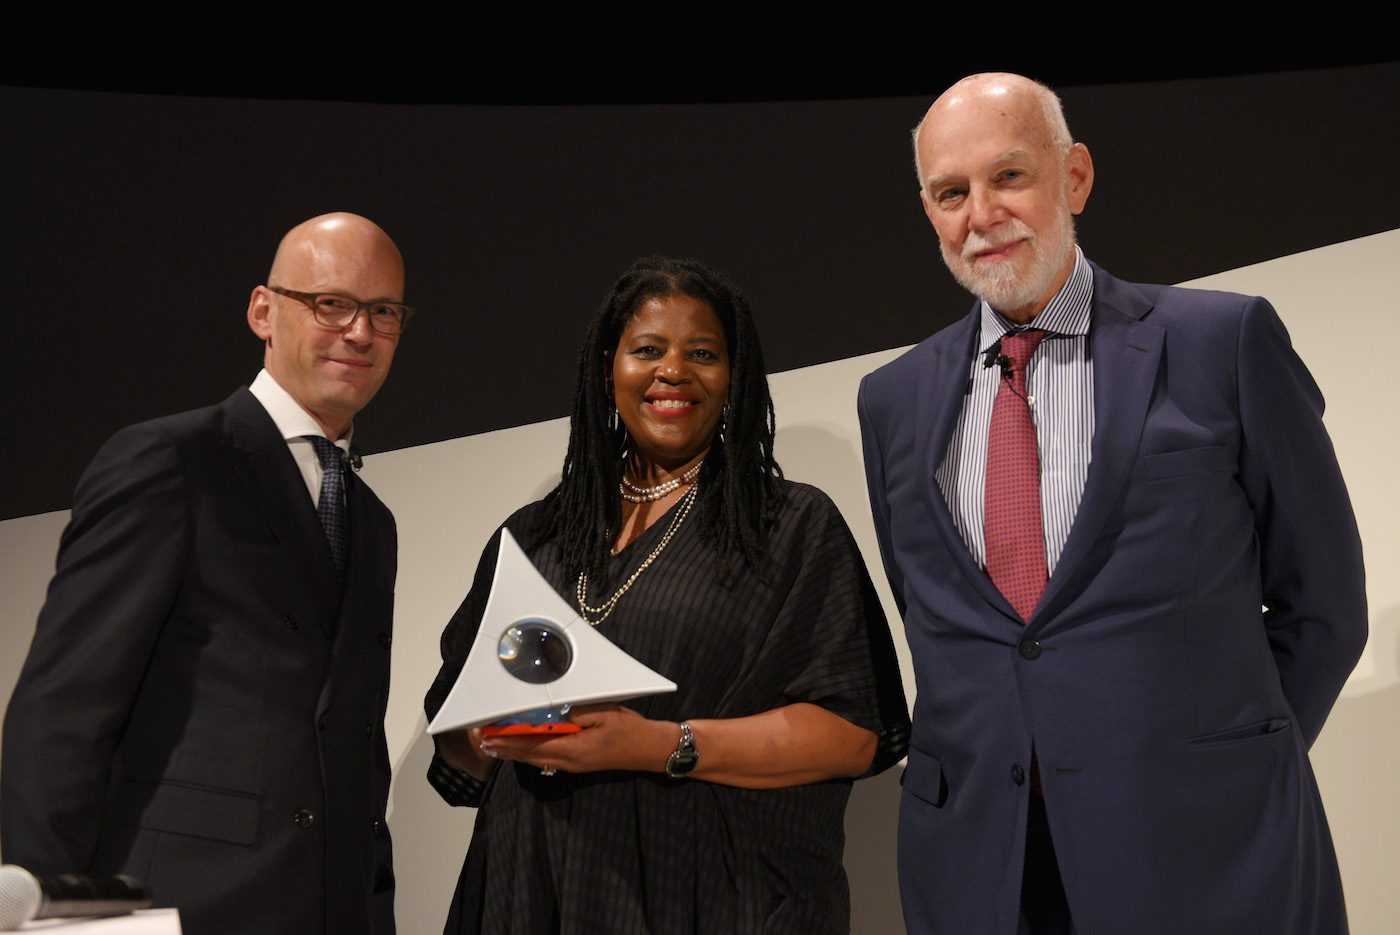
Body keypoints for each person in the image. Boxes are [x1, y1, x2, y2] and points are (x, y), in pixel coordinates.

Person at [858, 73, 1367, 934]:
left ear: (1076, 177)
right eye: (952, 192)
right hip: (985, 871)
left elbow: (1326, 608)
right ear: (929, 210)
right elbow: (938, 625)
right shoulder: (892, 399)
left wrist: (1238, 767)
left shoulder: (1222, 341)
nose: (980, 214)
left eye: (1008, 176)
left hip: (1211, 857)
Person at [425, 256, 910, 934]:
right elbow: (458, 747)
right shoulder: (535, 536)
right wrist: (487, 729)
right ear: (607, 369)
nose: (673, 371)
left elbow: (852, 735)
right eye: (647, 349)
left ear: (734, 376)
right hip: (531, 889)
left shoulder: (788, 525)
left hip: (712, 896)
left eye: (703, 353)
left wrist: (658, 743)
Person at [2, 213, 411, 935]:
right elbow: (64, 709)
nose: (359, 332)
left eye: (383, 311)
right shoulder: (173, 460)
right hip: (183, 906)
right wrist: (48, 912)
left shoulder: (372, 522)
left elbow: (353, 741)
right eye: (331, 303)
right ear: (263, 310)